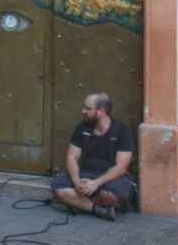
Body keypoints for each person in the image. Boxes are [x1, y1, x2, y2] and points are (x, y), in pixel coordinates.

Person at [50, 92, 135, 221]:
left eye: (88, 108)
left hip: (111, 177)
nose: (83, 111)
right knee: (58, 186)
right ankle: (98, 209)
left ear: (101, 111)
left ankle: (81, 204)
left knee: (112, 196)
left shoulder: (121, 131)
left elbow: (121, 168)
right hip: (86, 173)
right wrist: (76, 180)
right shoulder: (82, 128)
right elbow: (71, 158)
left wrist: (96, 183)